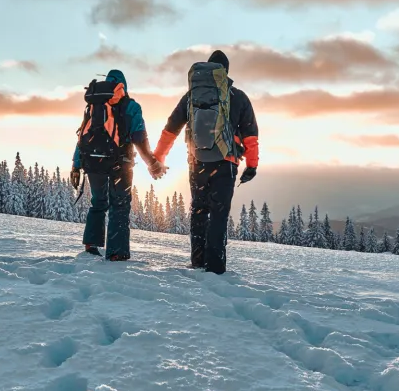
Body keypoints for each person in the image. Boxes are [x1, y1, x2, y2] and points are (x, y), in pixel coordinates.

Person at [153, 50, 259, 274]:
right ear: (225, 72)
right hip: (226, 162)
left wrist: (159, 157)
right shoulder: (238, 97)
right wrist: (252, 165)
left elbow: (170, 129)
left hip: (197, 162)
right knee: (219, 215)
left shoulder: (192, 96)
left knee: (199, 211)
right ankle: (215, 267)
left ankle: (198, 261)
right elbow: (250, 136)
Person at [70, 69, 164, 261]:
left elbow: (82, 137)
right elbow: (139, 138)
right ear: (123, 86)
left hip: (93, 161)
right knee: (119, 205)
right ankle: (116, 253)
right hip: (120, 163)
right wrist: (152, 163)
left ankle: (91, 244)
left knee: (98, 202)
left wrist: (76, 165)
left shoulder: (95, 105)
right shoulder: (131, 106)